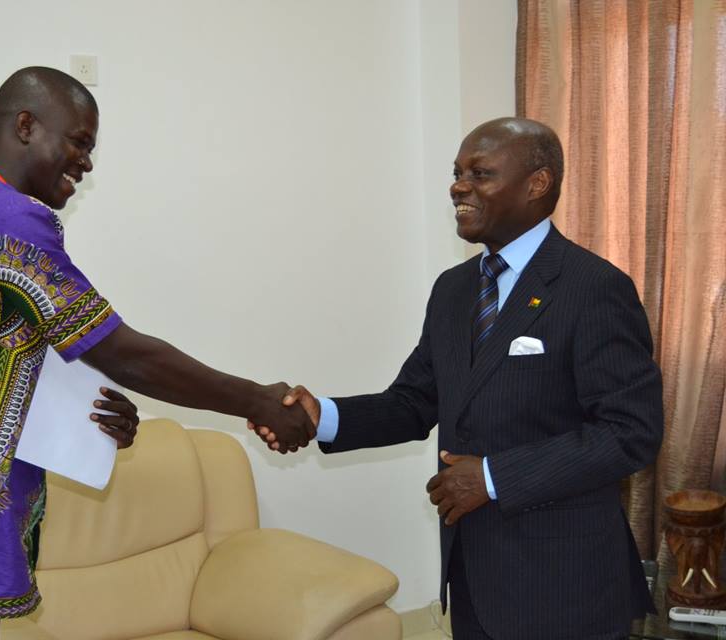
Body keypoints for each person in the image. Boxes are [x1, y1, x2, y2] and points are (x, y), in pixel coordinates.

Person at [0, 66, 313, 639]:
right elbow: (124, 353)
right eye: (79, 142)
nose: (87, 163)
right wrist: (259, 400)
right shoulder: (5, 219)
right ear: (26, 126)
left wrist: (90, 417)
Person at [252, 118, 664, 639]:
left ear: (537, 184)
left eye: (480, 173)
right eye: (456, 173)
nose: (458, 187)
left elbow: (630, 432)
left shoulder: (594, 287)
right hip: (472, 575)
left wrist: (493, 477)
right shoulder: (453, 289)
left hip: (563, 583)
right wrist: (322, 417)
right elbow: (414, 401)